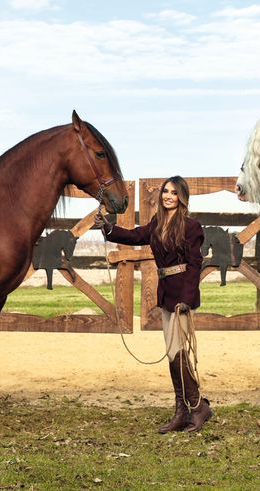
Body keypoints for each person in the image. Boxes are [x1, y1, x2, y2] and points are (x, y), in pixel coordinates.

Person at [94, 176, 212, 433]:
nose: (168, 196)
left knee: (178, 353)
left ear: (182, 197)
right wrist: (108, 228)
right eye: (165, 192)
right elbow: (136, 235)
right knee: (172, 354)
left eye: (173, 192)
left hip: (182, 294)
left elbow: (194, 266)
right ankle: (184, 410)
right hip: (166, 292)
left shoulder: (192, 227)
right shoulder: (158, 223)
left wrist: (186, 299)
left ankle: (196, 406)